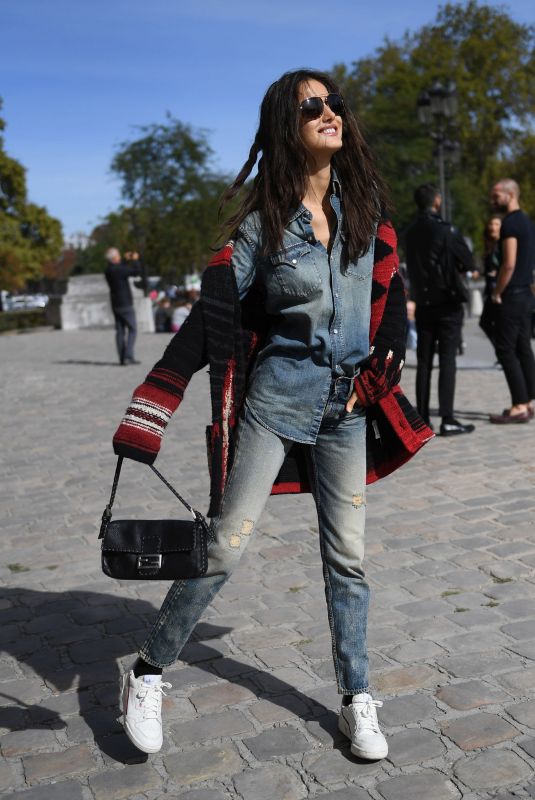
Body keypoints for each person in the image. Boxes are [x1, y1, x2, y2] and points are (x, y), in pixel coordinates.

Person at [111, 69, 432, 760]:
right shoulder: (265, 222)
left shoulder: (366, 207)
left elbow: (392, 296)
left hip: (344, 410)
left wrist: (381, 373)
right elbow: (214, 313)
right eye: (308, 106)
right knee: (224, 544)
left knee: (347, 558)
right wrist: (155, 402)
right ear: (286, 128)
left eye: (332, 102)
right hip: (275, 403)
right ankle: (147, 672)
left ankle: (355, 698)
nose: (326, 112)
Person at [404, 183, 475, 436]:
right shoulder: (446, 231)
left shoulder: (409, 232)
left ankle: (422, 417)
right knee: (447, 360)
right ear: (436, 202)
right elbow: (468, 261)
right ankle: (447, 418)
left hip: (423, 303)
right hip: (446, 302)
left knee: (424, 362)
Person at [488, 179, 535, 423]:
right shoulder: (527, 222)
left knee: (506, 349)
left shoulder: (511, 224)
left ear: (510, 194)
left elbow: (509, 263)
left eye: (496, 195)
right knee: (523, 348)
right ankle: (529, 400)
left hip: (513, 294)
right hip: (526, 294)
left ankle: (519, 405)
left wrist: (497, 292)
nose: (493, 199)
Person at [104, 247, 142, 365]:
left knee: (120, 331)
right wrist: (135, 260)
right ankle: (128, 355)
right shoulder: (119, 270)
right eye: (118, 256)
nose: (120, 257)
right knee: (132, 329)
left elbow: (122, 268)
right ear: (115, 258)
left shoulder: (108, 270)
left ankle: (122, 357)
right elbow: (135, 271)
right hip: (125, 303)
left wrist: (125, 260)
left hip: (115, 303)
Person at [479, 215, 502, 347]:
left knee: (492, 324)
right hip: (491, 290)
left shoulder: (502, 246)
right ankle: (503, 351)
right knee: (486, 323)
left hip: (499, 291)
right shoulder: (490, 246)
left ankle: (504, 352)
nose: (493, 227)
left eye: (496, 224)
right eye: (491, 224)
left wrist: (496, 273)